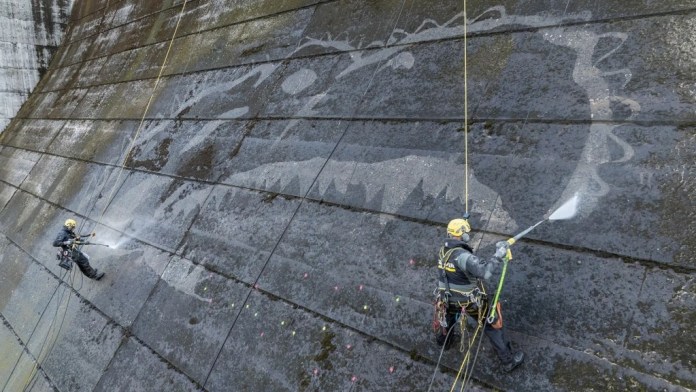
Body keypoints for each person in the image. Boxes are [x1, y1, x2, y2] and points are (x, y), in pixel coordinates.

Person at [434, 217, 524, 372]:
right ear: (463, 235)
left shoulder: (443, 251)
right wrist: (498, 255)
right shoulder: (464, 256)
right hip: (469, 302)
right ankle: (508, 361)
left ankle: (444, 342)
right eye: (466, 233)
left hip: (447, 298)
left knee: (448, 319)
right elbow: (485, 272)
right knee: (492, 325)